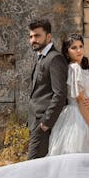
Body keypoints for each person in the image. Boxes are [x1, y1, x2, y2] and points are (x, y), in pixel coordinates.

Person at [48, 33, 89, 155]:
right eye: (74, 47)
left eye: (81, 46)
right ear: (67, 52)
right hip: (79, 117)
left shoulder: (84, 68)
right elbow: (80, 101)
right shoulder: (74, 68)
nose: (79, 50)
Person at [27, 19, 68, 160]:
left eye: (37, 36)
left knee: (32, 166)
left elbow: (60, 94)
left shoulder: (55, 59)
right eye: (31, 37)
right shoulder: (41, 58)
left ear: (48, 37)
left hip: (43, 124)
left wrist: (46, 123)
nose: (33, 40)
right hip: (36, 122)